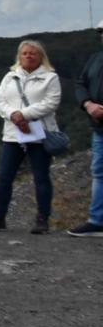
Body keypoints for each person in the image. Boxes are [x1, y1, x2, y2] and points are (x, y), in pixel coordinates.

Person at [0, 40, 62, 235]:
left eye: (33, 53)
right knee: (4, 177)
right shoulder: (10, 77)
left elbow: (51, 103)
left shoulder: (50, 78)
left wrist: (23, 115)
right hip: (12, 135)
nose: (28, 56)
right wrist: (13, 115)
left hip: (39, 134)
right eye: (24, 53)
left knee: (41, 178)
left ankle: (42, 219)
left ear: (41, 56)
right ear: (19, 56)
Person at [75, 21, 103, 238]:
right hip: (99, 128)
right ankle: (97, 221)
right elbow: (80, 83)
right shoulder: (95, 58)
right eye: (101, 32)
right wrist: (88, 104)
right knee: (99, 173)